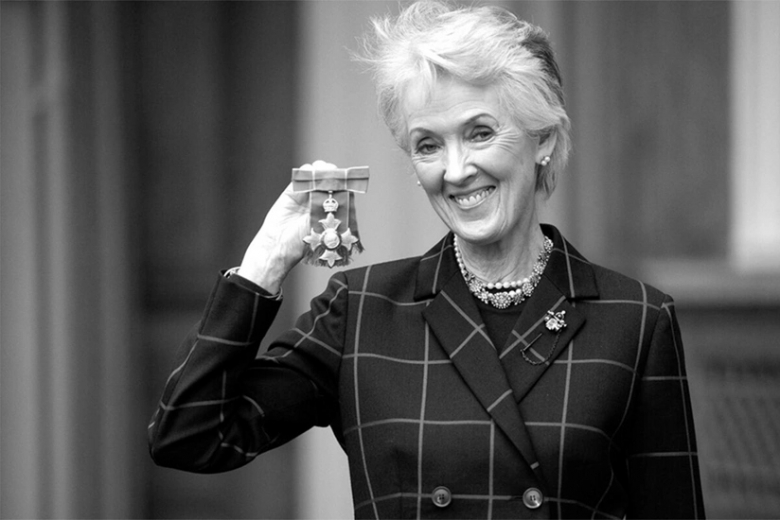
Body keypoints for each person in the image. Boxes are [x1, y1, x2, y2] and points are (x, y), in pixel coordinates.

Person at [148, 1, 705, 518]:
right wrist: (265, 261)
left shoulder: (636, 320)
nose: (455, 170)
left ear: (543, 139)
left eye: (480, 133)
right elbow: (189, 436)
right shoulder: (360, 312)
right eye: (428, 145)